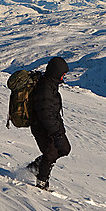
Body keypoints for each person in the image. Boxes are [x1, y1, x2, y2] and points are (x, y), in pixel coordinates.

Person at [27, 56, 71, 190]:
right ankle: (41, 184)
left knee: (64, 149)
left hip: (52, 126)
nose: (63, 77)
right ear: (56, 72)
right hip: (41, 127)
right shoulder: (45, 88)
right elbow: (45, 114)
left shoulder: (51, 85)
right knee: (50, 153)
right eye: (62, 74)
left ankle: (35, 167)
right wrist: (57, 134)